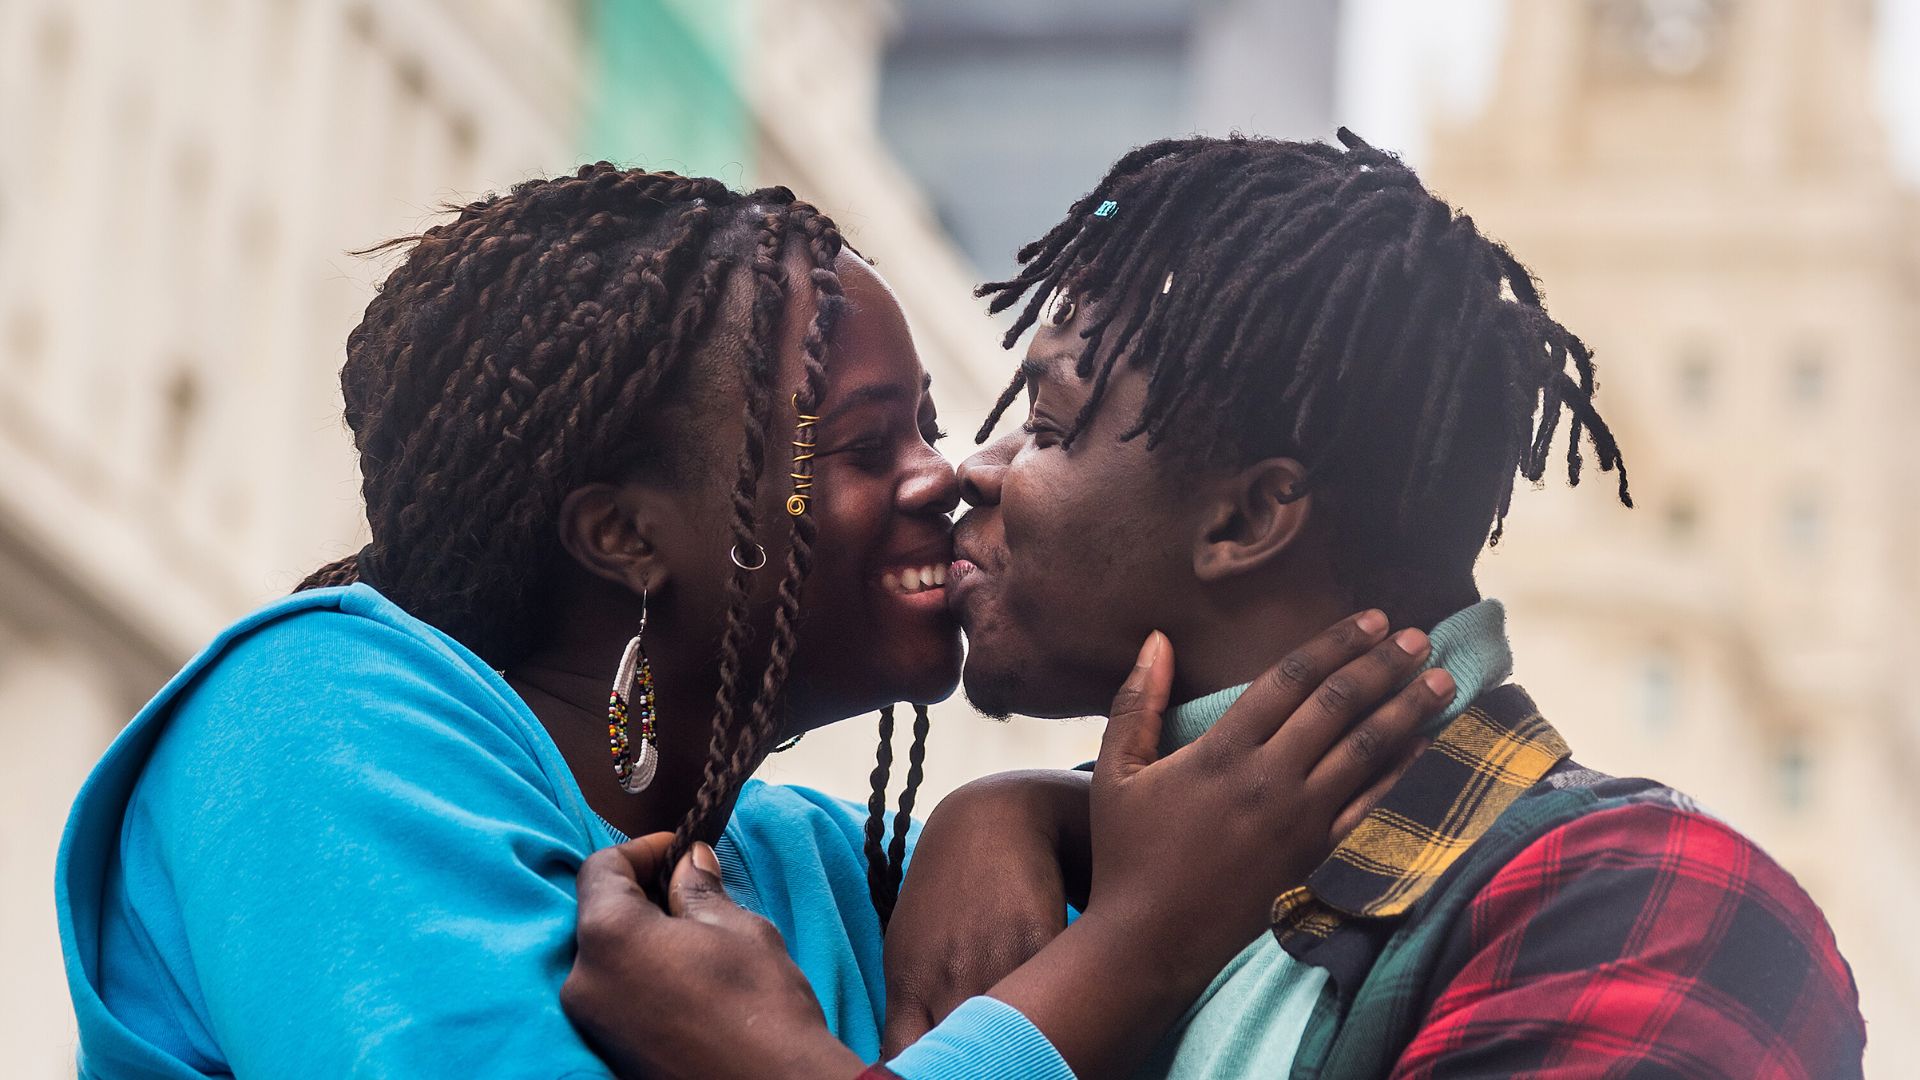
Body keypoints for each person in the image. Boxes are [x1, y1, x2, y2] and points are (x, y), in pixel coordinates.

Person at [54, 164, 1438, 1079]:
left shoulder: (811, 868)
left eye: (937, 430)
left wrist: (1008, 813)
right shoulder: (312, 725)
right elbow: (1141, 932)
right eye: (860, 444)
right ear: (624, 532)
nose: (947, 478)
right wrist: (1139, 945)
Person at [559, 131, 1868, 1078]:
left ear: (1246, 520)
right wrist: (1021, 819)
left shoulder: (1659, 906)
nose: (973, 472)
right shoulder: (1036, 890)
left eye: (1052, 428)